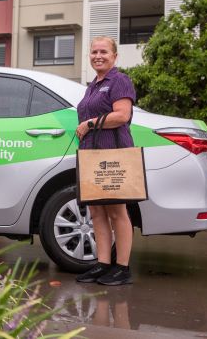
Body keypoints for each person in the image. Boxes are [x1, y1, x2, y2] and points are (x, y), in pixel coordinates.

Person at [75, 36, 136, 286]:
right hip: (91, 155)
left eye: (103, 51)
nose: (98, 56)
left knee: (117, 211)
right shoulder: (92, 85)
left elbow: (122, 115)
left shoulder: (119, 80)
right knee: (96, 212)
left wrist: (89, 123)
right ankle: (102, 264)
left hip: (113, 154)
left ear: (114, 56)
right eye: (94, 52)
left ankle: (122, 268)